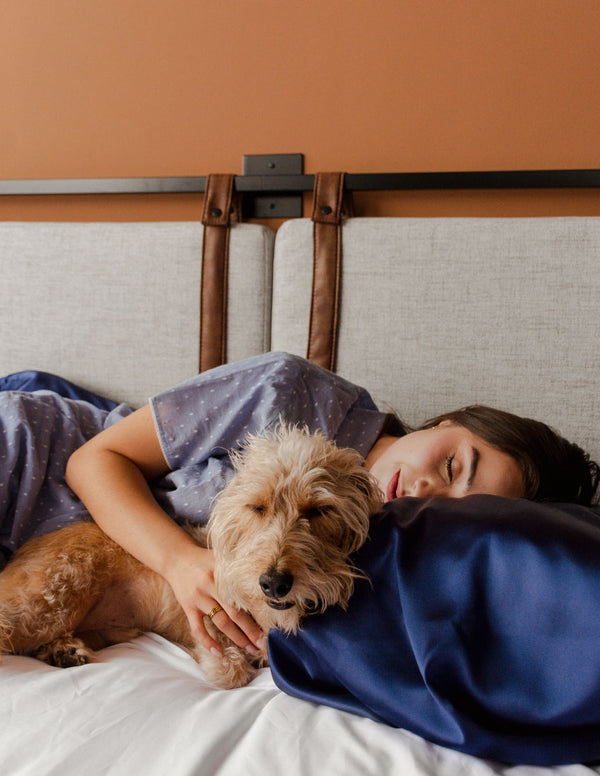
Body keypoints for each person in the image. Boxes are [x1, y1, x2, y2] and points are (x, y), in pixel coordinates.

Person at [1, 352, 598, 660]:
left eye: (460, 507)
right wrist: (181, 561)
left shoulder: (384, 549)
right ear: (446, 422)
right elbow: (91, 462)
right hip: (31, 458)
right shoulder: (290, 391)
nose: (426, 493)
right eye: (450, 466)